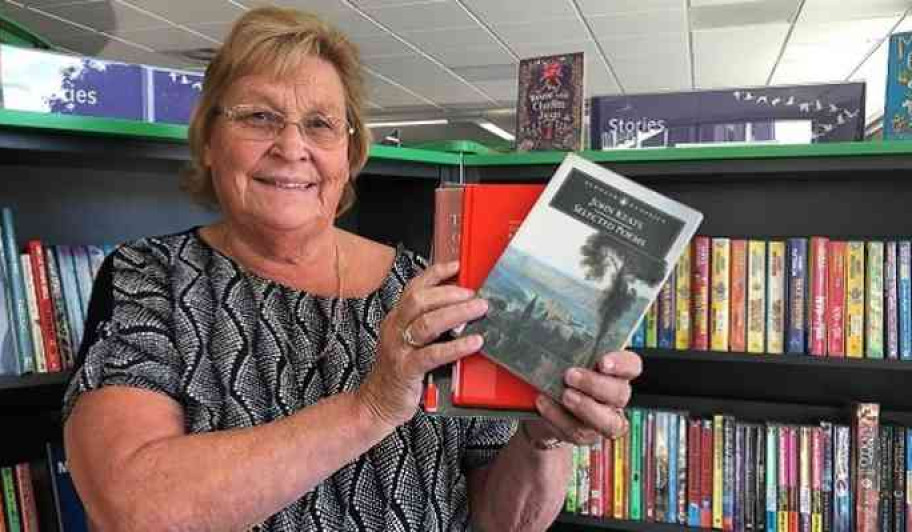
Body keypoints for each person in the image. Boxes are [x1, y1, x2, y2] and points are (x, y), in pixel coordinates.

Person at [62, 6, 641, 531]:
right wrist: (373, 404)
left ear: (349, 153)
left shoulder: (429, 289)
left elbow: (502, 523)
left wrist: (542, 437)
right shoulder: (151, 277)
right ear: (210, 140)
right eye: (259, 117)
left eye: (319, 124)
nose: (292, 147)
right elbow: (131, 509)